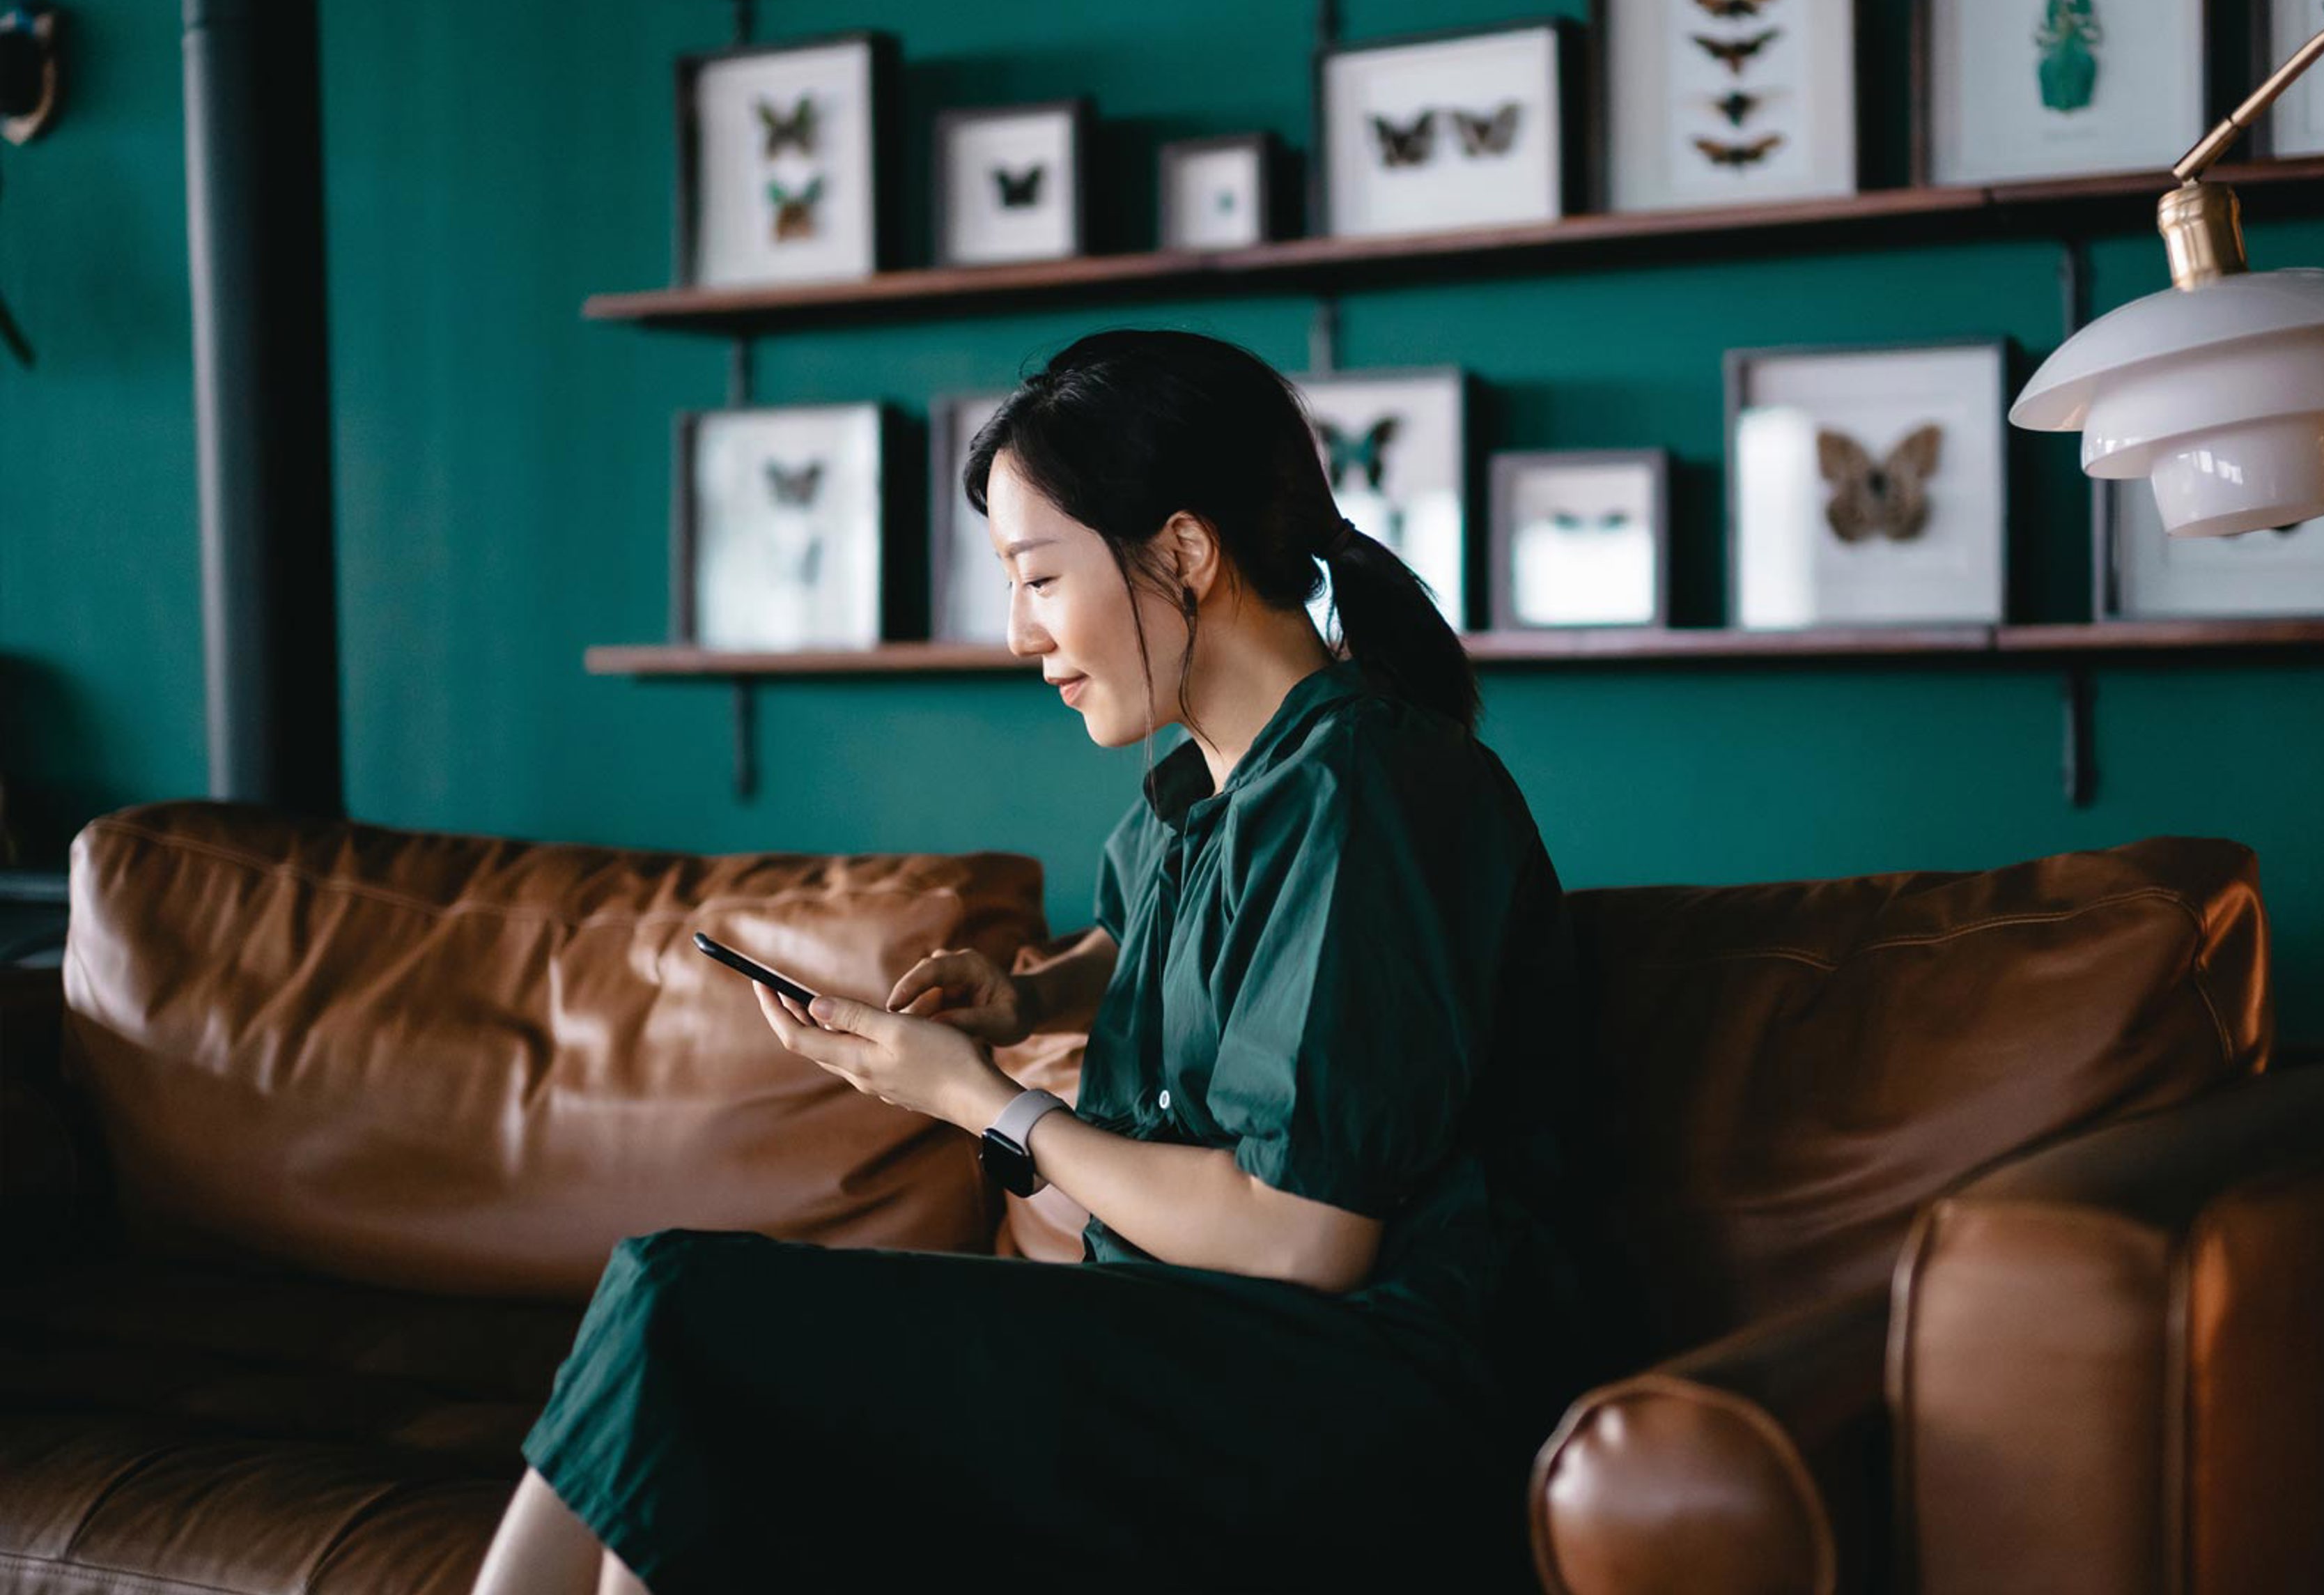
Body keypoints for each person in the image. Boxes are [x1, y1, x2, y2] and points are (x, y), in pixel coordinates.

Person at [472, 328, 1610, 1594]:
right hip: (1181, 1349)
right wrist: (1030, 995)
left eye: (1038, 576)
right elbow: (1168, 938)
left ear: (1182, 551)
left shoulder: (1371, 791)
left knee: (684, 1299)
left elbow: (1304, 1241)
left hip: (1358, 1402)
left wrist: (981, 1098)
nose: (1019, 632)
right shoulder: (1198, 790)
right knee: (711, 1373)